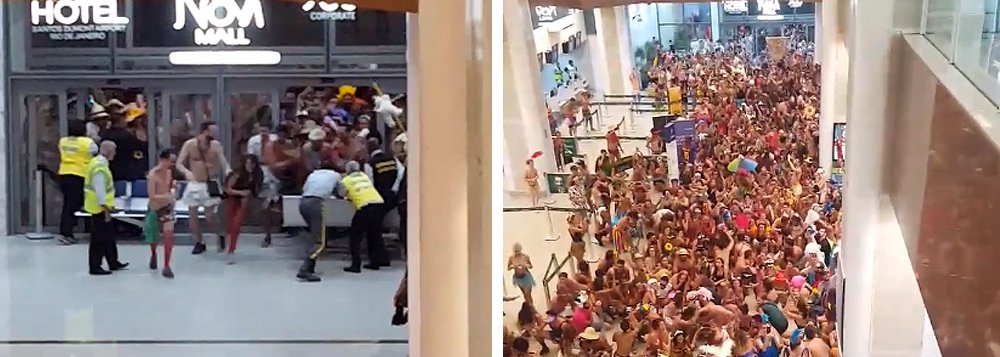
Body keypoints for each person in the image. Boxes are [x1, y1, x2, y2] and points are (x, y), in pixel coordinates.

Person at [176, 121, 231, 254]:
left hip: (210, 183)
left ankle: (220, 233)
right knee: (193, 215)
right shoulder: (190, 144)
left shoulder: (216, 145)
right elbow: (179, 163)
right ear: (205, 131)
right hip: (195, 183)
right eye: (212, 131)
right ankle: (198, 242)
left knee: (209, 216)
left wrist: (228, 171)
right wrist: (187, 172)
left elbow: (223, 162)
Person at [83, 140, 128, 275]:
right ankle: (95, 266)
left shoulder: (98, 162)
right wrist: (106, 210)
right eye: (114, 151)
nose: (115, 153)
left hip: (101, 207)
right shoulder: (99, 168)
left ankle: (113, 261)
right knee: (99, 239)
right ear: (109, 151)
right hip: (100, 209)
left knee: (108, 237)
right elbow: (100, 191)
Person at [295, 160, 344, 282]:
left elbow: (304, 189)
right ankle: (304, 269)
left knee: (313, 235)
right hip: (316, 204)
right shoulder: (335, 175)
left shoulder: (313, 174)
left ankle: (310, 267)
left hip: (303, 203)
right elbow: (341, 193)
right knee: (319, 241)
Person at [342, 160, 389, 273]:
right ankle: (375, 262)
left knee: (355, 237)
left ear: (347, 170)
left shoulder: (346, 180)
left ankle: (356, 265)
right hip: (378, 204)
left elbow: (342, 194)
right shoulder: (364, 176)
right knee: (374, 235)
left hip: (364, 207)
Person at [57, 119, 97, 245]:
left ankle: (67, 231)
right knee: (74, 205)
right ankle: (66, 233)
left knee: (68, 204)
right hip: (79, 175)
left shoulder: (63, 141)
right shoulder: (87, 142)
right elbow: (95, 151)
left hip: (64, 174)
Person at [246, 122, 281, 247]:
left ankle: (273, 228)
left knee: (270, 203)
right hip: (260, 172)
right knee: (264, 206)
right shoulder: (253, 141)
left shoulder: (275, 140)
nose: (263, 134)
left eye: (265, 131)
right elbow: (250, 159)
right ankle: (267, 234)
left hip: (275, 172)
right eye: (261, 131)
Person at [223, 155, 262, 264]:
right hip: (232, 198)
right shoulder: (237, 174)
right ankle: (227, 243)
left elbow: (255, 190)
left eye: (252, 164)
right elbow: (227, 189)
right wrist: (241, 193)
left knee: (236, 224)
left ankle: (231, 250)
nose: (250, 166)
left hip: (245, 200)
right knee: (230, 224)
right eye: (248, 164)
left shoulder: (258, 174)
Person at [145, 149, 178, 278]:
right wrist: (166, 196)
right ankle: (153, 253)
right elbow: (152, 195)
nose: (172, 164)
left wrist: (173, 188)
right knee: (153, 237)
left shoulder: (169, 172)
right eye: (170, 161)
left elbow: (169, 187)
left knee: (168, 235)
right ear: (163, 160)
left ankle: (167, 265)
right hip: (155, 208)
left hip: (166, 208)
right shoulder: (153, 175)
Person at [507, 243, 535, 307]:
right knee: (525, 295)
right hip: (518, 278)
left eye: (518, 251)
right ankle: (529, 307)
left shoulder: (525, 257)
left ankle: (532, 307)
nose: (517, 253)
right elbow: (508, 268)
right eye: (515, 251)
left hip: (526, 277)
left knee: (527, 294)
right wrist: (512, 266)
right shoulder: (511, 258)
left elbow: (531, 266)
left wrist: (526, 265)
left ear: (520, 250)